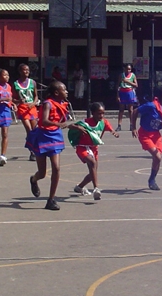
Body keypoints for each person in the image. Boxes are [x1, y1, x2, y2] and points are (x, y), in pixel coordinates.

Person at [26, 81, 71, 210]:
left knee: (56, 168)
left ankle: (51, 199)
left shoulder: (63, 104)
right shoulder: (48, 103)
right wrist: (59, 125)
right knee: (42, 173)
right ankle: (34, 180)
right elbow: (44, 121)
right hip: (43, 136)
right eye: (64, 89)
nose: (66, 91)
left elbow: (63, 121)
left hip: (55, 136)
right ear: (56, 92)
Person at [68, 101, 119, 201]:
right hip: (82, 147)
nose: (101, 115)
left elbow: (111, 129)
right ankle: (96, 189)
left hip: (94, 148)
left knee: (93, 172)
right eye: (99, 113)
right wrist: (77, 127)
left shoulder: (104, 122)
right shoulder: (85, 123)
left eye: (103, 113)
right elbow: (70, 126)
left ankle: (79, 187)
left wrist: (114, 132)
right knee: (92, 163)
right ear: (93, 113)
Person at [131, 85, 162, 191]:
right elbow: (135, 112)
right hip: (145, 134)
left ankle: (152, 180)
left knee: (158, 159)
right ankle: (151, 180)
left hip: (156, 135)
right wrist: (133, 127)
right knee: (158, 157)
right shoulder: (151, 106)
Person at [13, 63, 39, 161]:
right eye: (24, 70)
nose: (26, 71)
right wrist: (18, 101)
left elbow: (36, 95)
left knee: (35, 130)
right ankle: (32, 152)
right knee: (29, 130)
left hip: (31, 107)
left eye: (28, 70)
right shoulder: (15, 83)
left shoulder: (32, 82)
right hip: (23, 108)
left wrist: (34, 103)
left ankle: (34, 147)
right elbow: (13, 98)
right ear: (20, 71)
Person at [116, 63, 139, 131]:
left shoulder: (133, 75)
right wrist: (117, 96)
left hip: (129, 92)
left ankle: (131, 125)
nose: (128, 70)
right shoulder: (121, 75)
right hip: (122, 92)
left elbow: (136, 85)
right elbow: (118, 85)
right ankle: (119, 125)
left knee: (130, 109)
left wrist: (128, 82)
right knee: (121, 109)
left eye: (129, 69)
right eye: (127, 69)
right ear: (124, 69)